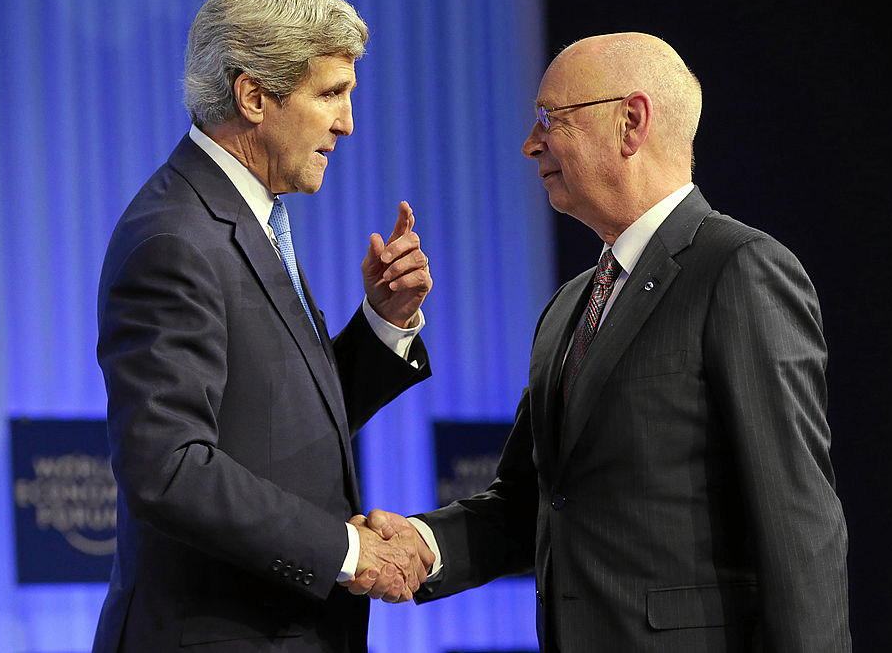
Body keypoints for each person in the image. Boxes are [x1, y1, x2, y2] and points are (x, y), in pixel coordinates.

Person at [351, 33, 851, 651]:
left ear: (631, 122)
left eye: (550, 120)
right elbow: (531, 502)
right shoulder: (569, 305)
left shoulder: (739, 270)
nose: (530, 143)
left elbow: (798, 523)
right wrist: (424, 547)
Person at [92, 0, 434, 653]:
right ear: (253, 95)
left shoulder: (249, 216)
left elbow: (279, 427)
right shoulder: (174, 236)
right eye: (330, 94)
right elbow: (169, 467)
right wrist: (347, 551)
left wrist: (382, 324)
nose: (347, 122)